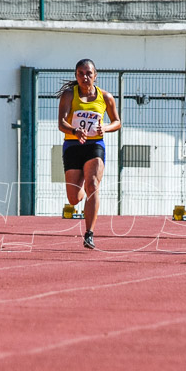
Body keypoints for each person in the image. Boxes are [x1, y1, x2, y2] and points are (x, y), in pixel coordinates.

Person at [57, 58, 121, 250]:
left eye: (88, 73)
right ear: (76, 76)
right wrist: (75, 131)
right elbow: (61, 123)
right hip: (73, 145)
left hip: (95, 145)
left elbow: (117, 121)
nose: (85, 77)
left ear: (96, 75)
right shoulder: (69, 95)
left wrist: (105, 128)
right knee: (74, 198)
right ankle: (85, 193)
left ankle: (89, 234)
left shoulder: (106, 97)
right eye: (81, 74)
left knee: (93, 184)